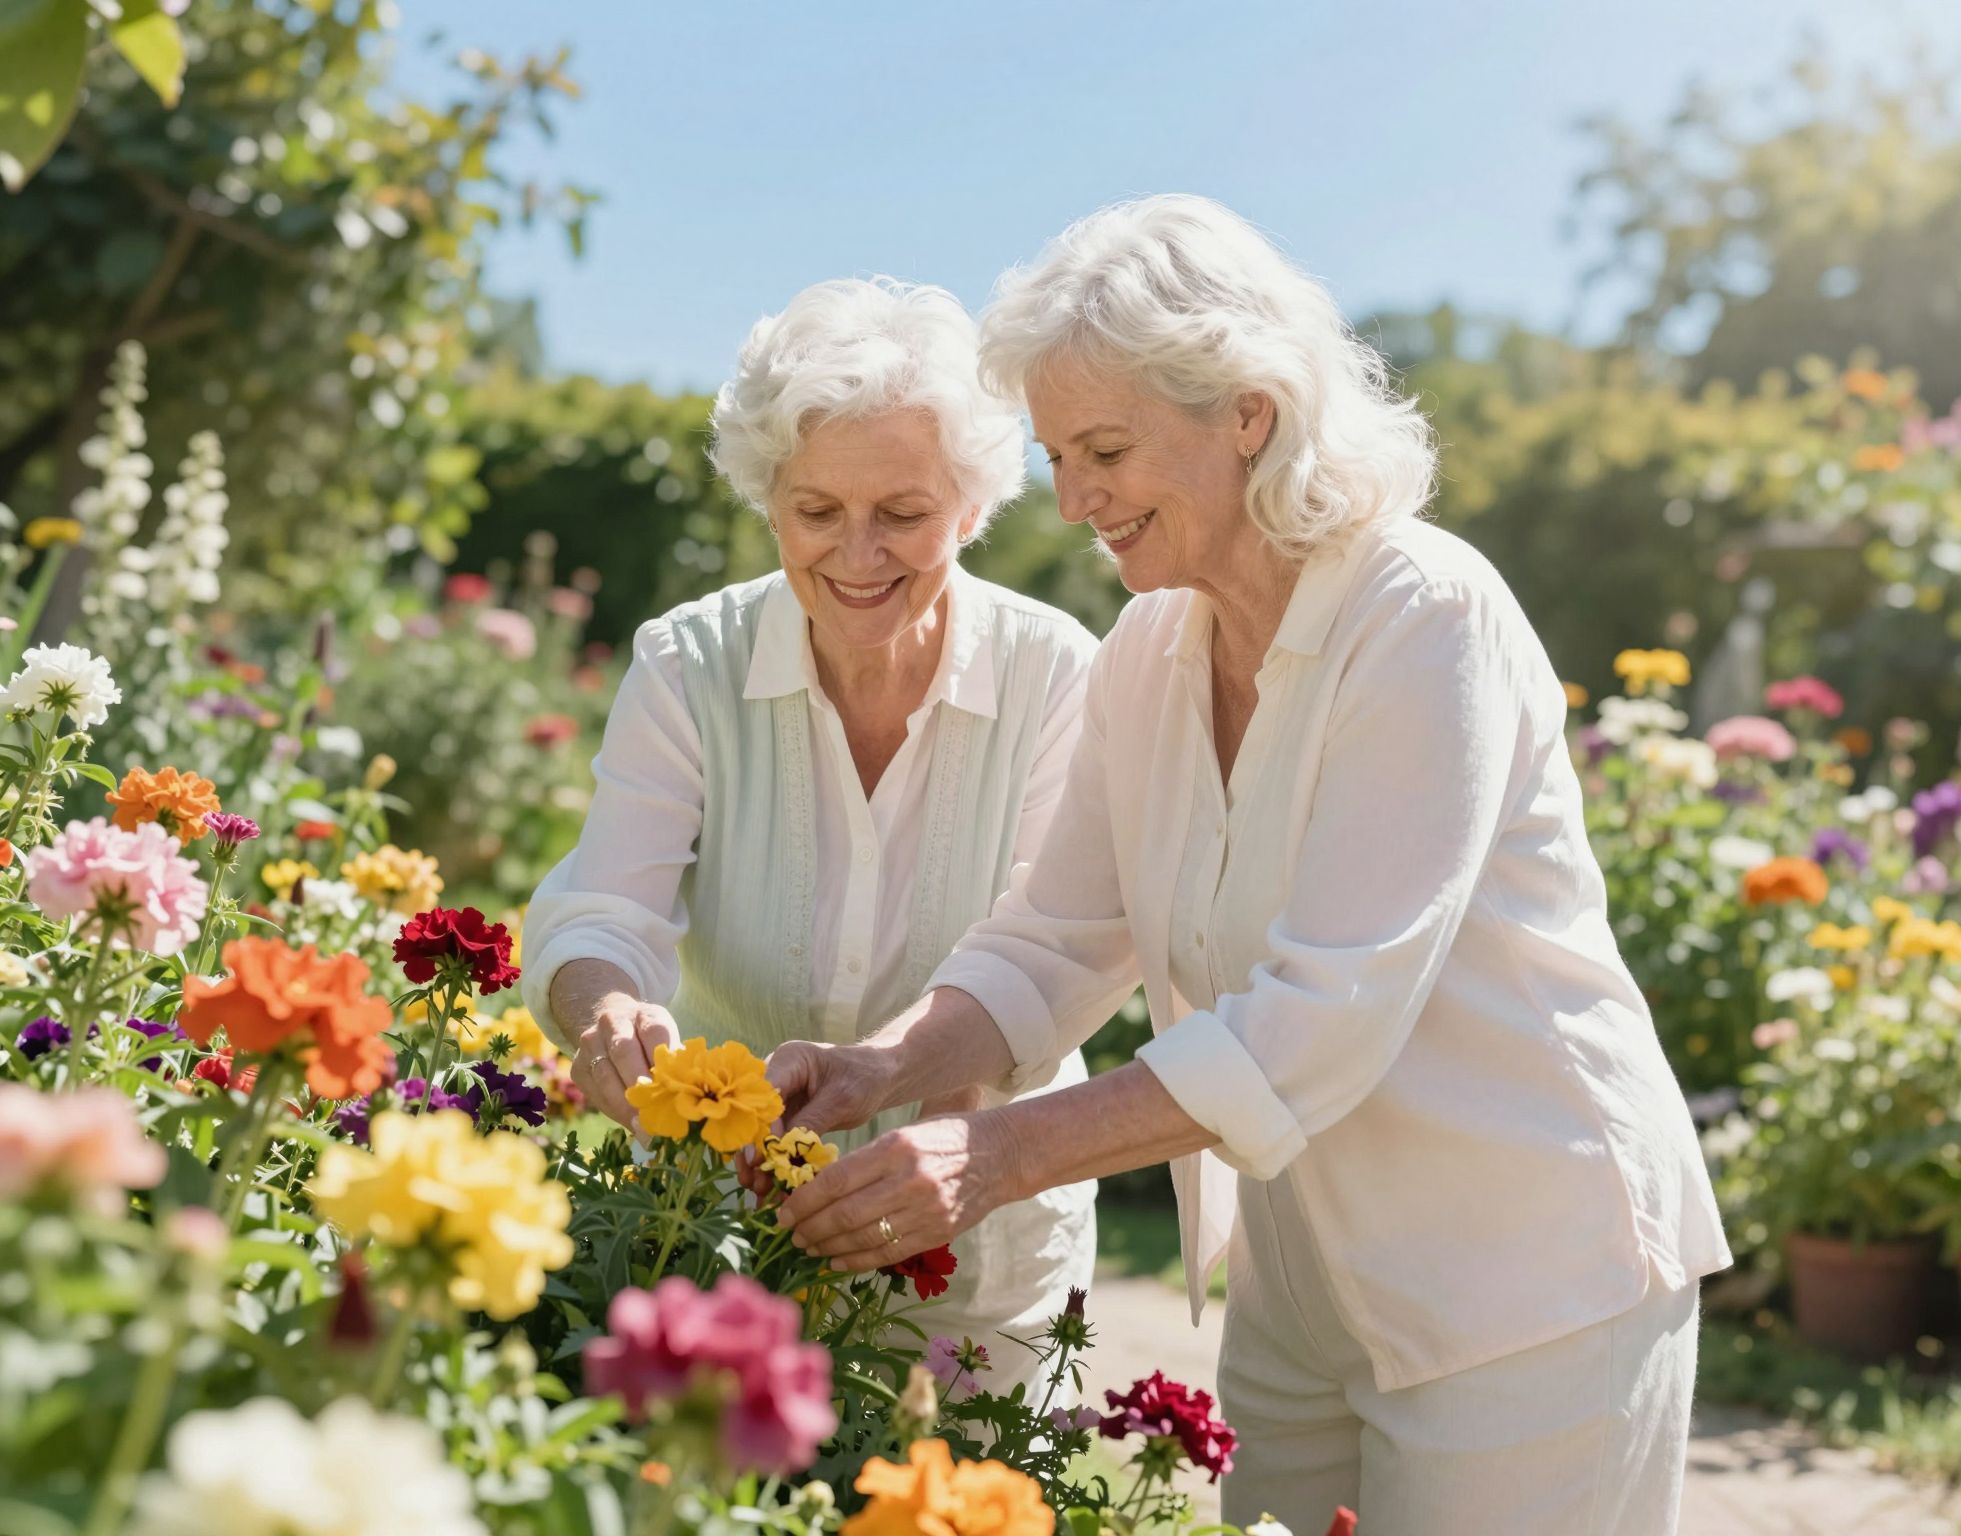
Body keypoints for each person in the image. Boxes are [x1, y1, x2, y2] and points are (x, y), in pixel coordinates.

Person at [761, 197, 1732, 1534]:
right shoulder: (1149, 655)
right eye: (1055, 454)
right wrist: (886, 1065)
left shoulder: (1422, 619)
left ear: (1250, 413)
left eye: (1105, 448)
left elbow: (1319, 1019)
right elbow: (1055, 938)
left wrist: (988, 1154)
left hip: (1528, 1283)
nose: (1074, 494)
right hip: (1306, 1291)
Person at [520, 277, 1104, 1401]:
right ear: (767, 501)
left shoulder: (1059, 675)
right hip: (714, 1225)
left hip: (969, 1245)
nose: (857, 554)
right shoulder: (691, 662)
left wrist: (882, 1070)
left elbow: (1057, 945)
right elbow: (605, 906)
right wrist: (604, 1011)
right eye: (817, 511)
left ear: (971, 509)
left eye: (903, 512)